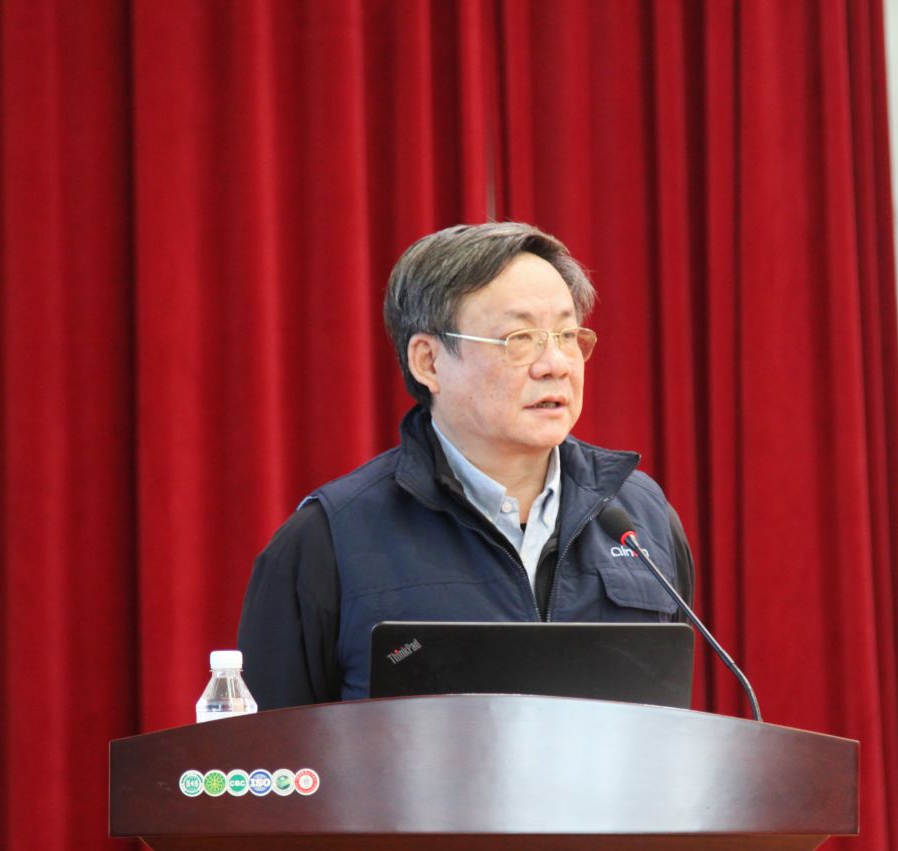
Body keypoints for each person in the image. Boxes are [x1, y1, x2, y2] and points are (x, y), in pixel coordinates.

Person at [237, 221, 694, 709]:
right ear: (428, 362)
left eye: (566, 335)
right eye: (520, 338)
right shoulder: (329, 540)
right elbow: (269, 751)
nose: (556, 364)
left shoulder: (640, 519)